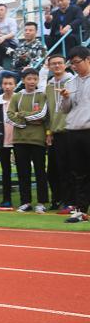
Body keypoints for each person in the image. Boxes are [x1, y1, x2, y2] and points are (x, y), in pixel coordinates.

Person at [7, 68, 49, 213]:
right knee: (22, 172)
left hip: (38, 139)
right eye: (29, 79)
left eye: (35, 79)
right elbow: (9, 115)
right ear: (23, 80)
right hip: (19, 140)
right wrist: (27, 121)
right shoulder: (16, 96)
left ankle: (42, 202)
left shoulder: (42, 95)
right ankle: (25, 202)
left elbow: (42, 115)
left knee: (40, 172)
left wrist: (22, 115)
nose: (32, 82)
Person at [59, 46, 90, 224]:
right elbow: (64, 110)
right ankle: (81, 210)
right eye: (72, 64)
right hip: (74, 131)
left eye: (77, 62)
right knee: (79, 173)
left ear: (88, 60)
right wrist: (65, 97)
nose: (74, 67)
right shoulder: (70, 82)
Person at [40, 53, 74, 212]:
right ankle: (57, 199)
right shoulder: (49, 85)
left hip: (70, 131)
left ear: (65, 64)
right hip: (54, 133)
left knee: (68, 169)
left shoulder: (72, 82)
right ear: (49, 66)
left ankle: (70, 201)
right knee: (53, 170)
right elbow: (47, 112)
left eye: (60, 63)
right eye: (53, 64)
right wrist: (48, 132)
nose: (57, 66)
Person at [0, 73, 17, 209]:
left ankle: (26, 201)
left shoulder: (19, 99)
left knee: (23, 170)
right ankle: (7, 200)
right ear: (1, 85)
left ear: (15, 85)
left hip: (19, 140)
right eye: (5, 84)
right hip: (3, 141)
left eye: (10, 84)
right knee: (5, 171)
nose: (7, 86)